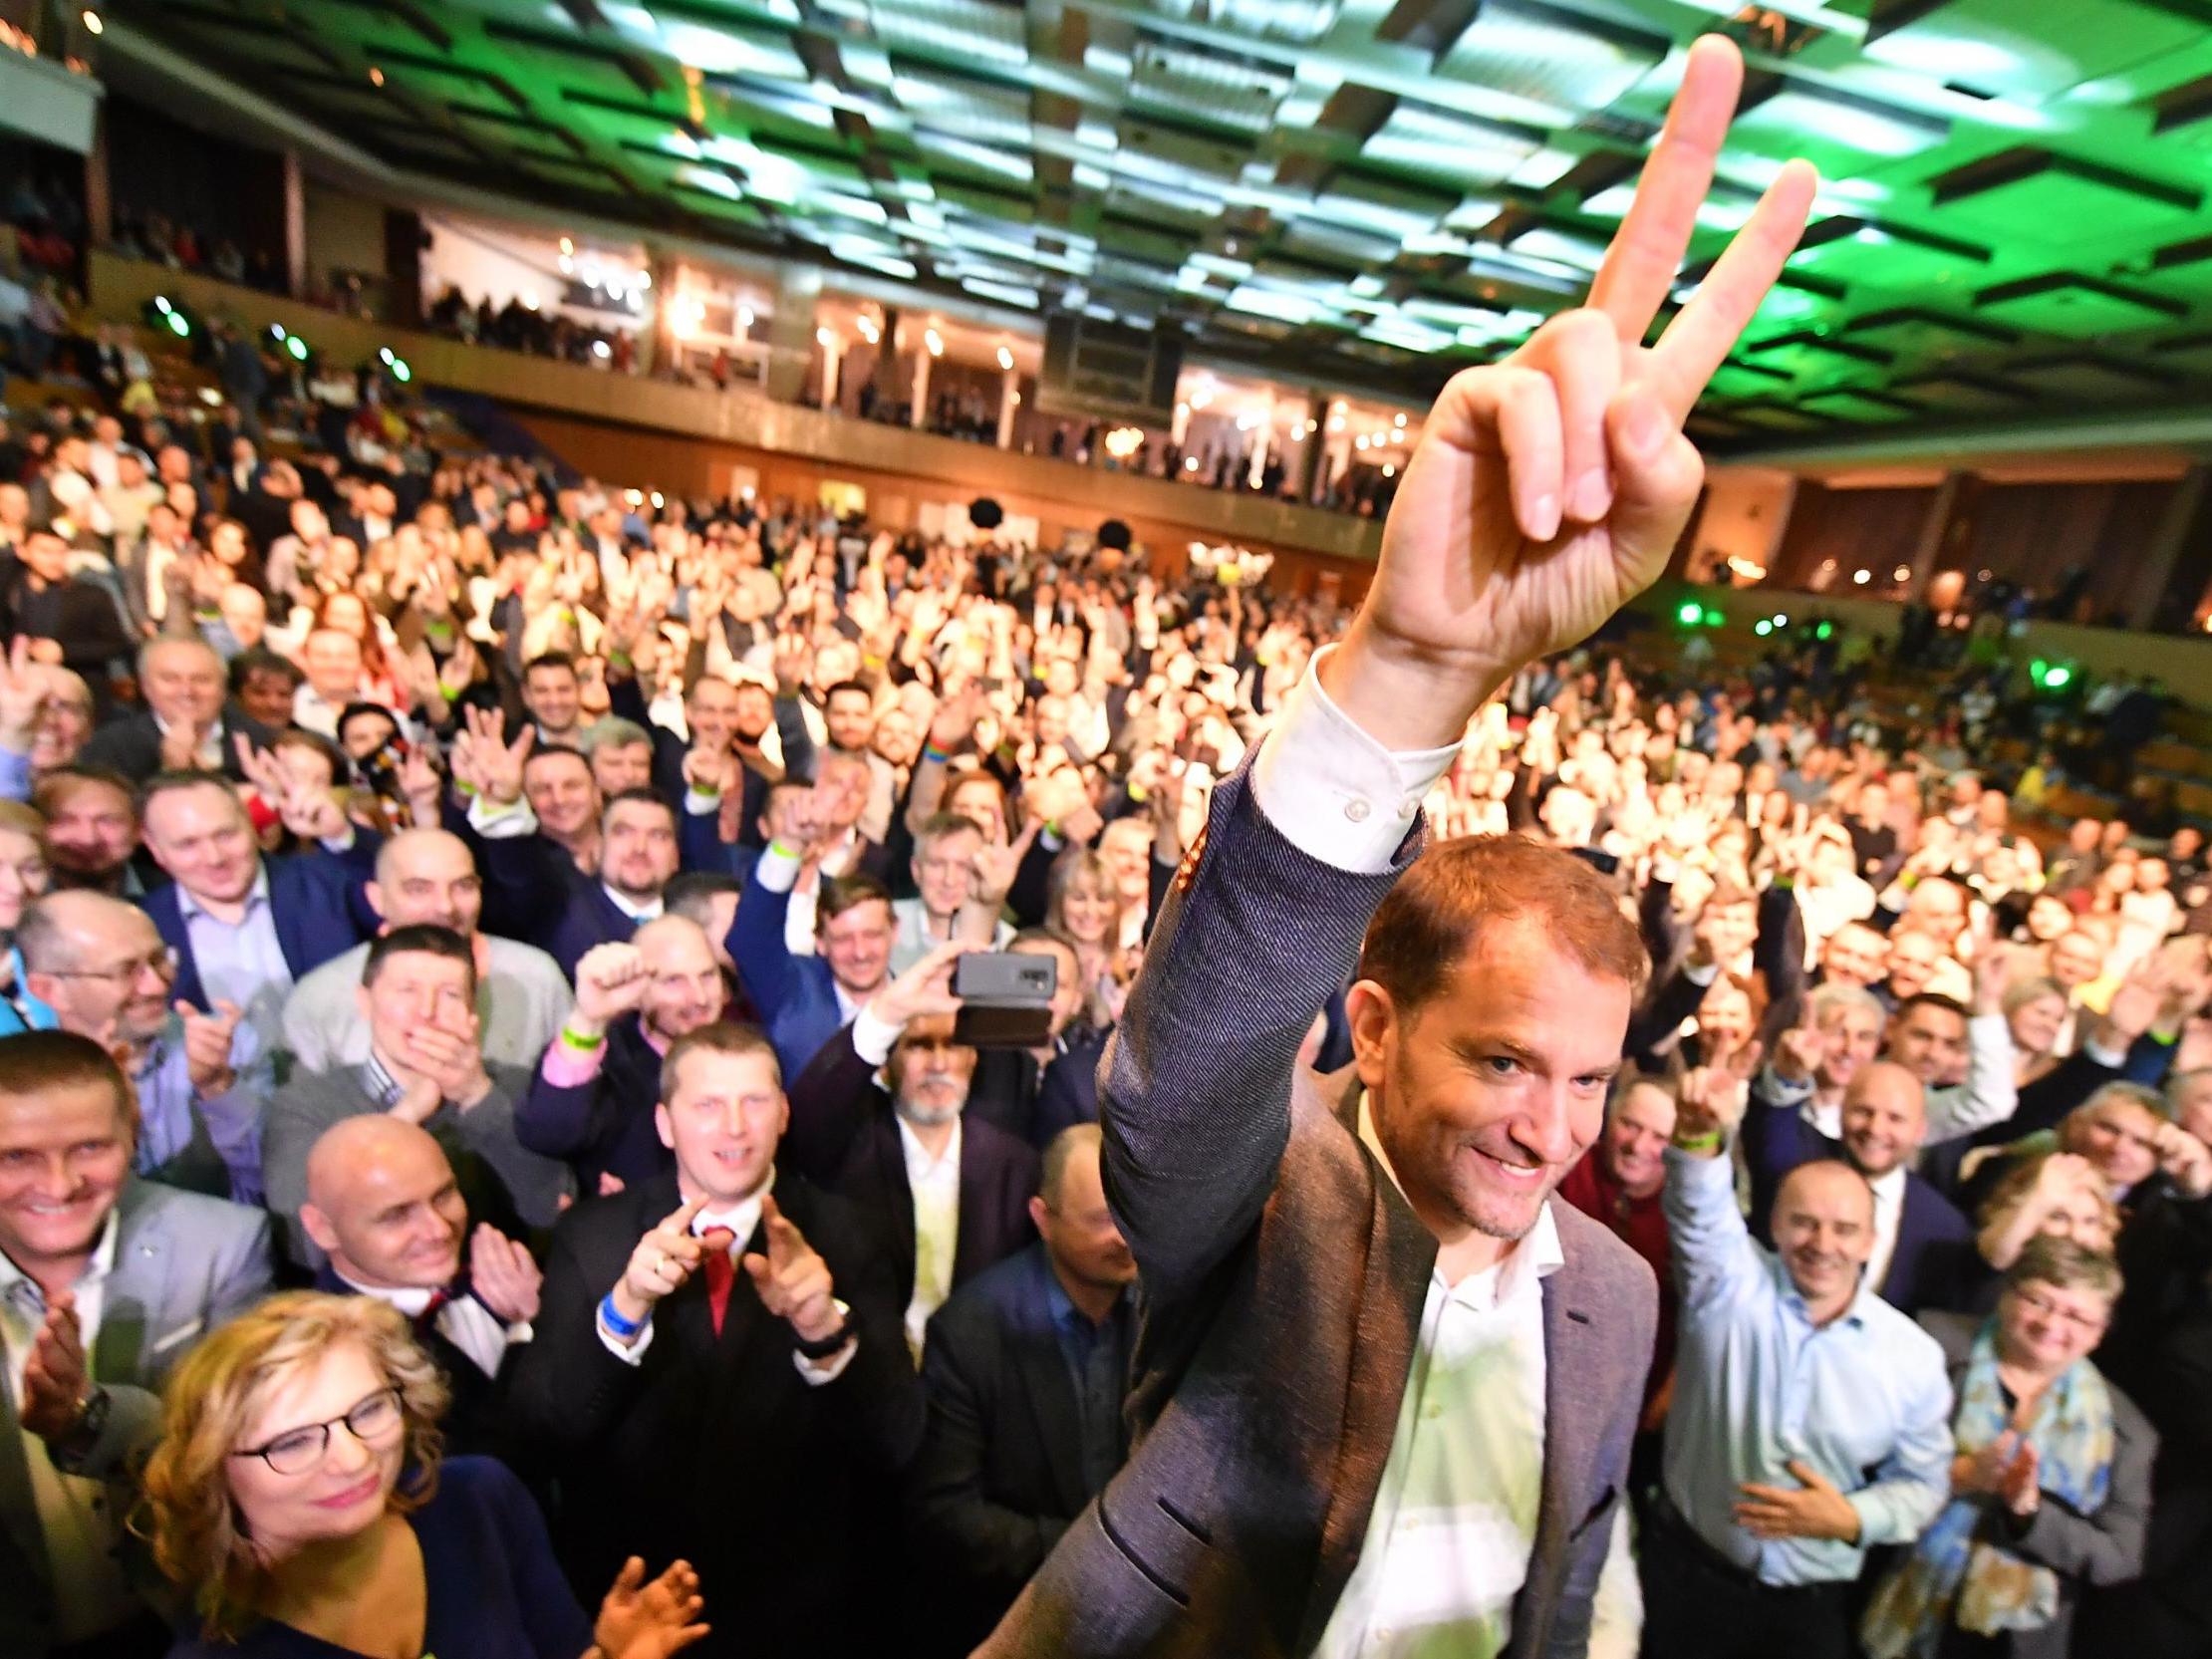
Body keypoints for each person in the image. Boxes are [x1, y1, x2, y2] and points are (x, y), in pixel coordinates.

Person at [985, 39, 1812, 1655]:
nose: (1554, 1133)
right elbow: (1183, 1070)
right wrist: (1418, 672)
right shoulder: (1271, 1189)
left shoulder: (1617, 1292)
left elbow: (1577, 1584)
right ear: (1372, 1027)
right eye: (1507, 1063)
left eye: (1587, 1081)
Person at [509, 1022, 920, 1657]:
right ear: (665, 1124)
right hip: (639, 1609)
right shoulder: (593, 1236)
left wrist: (823, 1330)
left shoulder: (848, 1235)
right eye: (707, 1105)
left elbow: (894, 1444)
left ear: (783, 1115)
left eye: (754, 1102)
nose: (734, 1127)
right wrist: (625, 1309)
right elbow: (546, 1429)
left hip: (802, 1615)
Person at [140, 1291, 709, 1659]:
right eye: (293, 1442)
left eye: (367, 1411)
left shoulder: (479, 1500)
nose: (354, 1458)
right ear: (214, 1472)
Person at [1647, 1063, 1954, 1659]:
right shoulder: (1728, 1286)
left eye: (1844, 1230)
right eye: (1804, 1223)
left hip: (1809, 1608)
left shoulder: (1913, 1358)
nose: (1822, 1244)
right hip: (1688, 1584)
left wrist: (1852, 1517)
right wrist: (1698, 1134)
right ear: (1776, 1226)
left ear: (1870, 1241)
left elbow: (1924, 1483)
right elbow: (1699, 1207)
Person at [0, 1031, 271, 1659]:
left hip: (187, 1620)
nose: (61, 1184)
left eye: (89, 1147)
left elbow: (236, 1453)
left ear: (132, 1133)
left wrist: (86, 1418)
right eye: (17, 1157)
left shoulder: (223, 1245)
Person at [1860, 1240, 2154, 1659]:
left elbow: (2120, 1557)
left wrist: (2027, 1516)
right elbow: (1858, 1461)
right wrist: (1959, 1475)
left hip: (2013, 1641)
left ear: (2099, 1333)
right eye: (2039, 1301)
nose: (2052, 1324)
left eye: (2076, 1315)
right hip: (1886, 1588)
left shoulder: (2125, 1430)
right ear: (2007, 1294)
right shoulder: (1929, 1347)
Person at [910, 1124, 1138, 1657]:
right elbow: (945, 1515)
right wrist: (1094, 1554)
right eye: (1103, 1220)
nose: (1126, 1236)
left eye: (1133, 1209)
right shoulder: (972, 1332)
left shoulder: (1167, 1308)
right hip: (1020, 1616)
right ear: (1043, 1219)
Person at [782, 940, 1040, 1357]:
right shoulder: (851, 1146)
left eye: (953, 1044)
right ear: (886, 1064)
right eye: (919, 1046)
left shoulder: (1014, 1165)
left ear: (973, 1058)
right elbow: (806, 1121)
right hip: (870, 1366)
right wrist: (886, 1013)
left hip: (975, 1378)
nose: (938, 1064)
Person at [262, 924, 571, 1265]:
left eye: (450, 994)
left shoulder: (519, 1088)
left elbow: (552, 1212)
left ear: (472, 1010)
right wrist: (405, 1117)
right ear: (365, 1002)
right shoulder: (308, 1104)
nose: (427, 1011)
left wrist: (477, 1097)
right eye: (407, 990)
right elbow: (306, 1247)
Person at [299, 1116, 543, 1465]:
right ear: (323, 1229)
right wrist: (527, 1329)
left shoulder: (498, 1252)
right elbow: (498, 1464)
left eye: (443, 1196)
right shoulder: (327, 1358)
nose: (439, 1230)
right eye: (397, 1215)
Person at [17, 890, 269, 1202]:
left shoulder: (229, 1045)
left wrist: (218, 1087)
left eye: (159, 960)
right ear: (50, 990)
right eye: (126, 972)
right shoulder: (20, 1089)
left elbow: (272, 1182)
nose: (157, 985)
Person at [281, 827, 573, 1073]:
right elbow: (301, 1120)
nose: (446, 906)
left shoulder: (535, 976)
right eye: (419, 889)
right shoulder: (320, 996)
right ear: (377, 899)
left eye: (463, 886)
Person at [137, 769, 379, 1053]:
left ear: (250, 825)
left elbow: (406, 905)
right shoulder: (141, 925)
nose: (214, 858)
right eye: (187, 844)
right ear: (155, 848)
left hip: (350, 1079)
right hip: (223, 1093)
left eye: (226, 834)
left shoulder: (325, 884)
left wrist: (341, 836)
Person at [1743, 1053, 1977, 1315]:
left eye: (1895, 1118)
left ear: (1920, 1130)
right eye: (1863, 1111)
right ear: (1842, 1112)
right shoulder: (1796, 1164)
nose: (1875, 1129)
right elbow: (1771, 1125)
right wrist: (1786, 1075)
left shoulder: (1944, 1226)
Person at [518, 919, 728, 1191]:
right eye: (674, 981)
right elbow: (547, 1134)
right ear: (637, 988)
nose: (699, 997)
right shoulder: (607, 1063)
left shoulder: (749, 1052)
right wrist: (588, 1019)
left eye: (708, 975)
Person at [79, 639, 272, 784]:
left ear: (223, 688)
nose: (187, 691)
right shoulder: (110, 747)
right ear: (146, 687)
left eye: (201, 679)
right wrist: (171, 773)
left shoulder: (264, 743)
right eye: (170, 679)